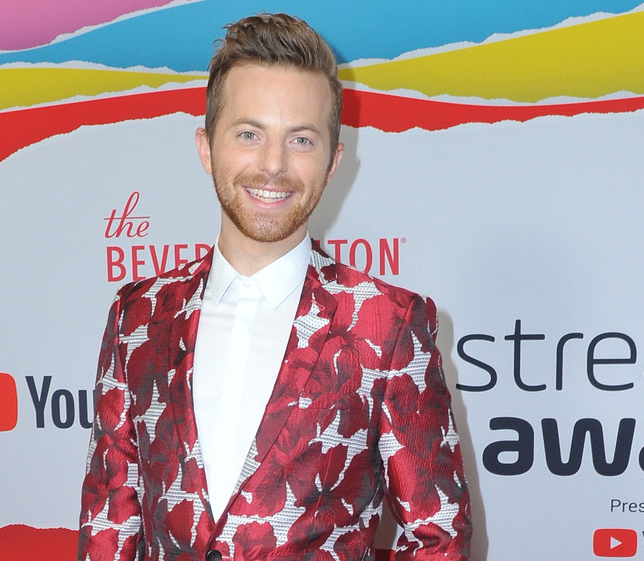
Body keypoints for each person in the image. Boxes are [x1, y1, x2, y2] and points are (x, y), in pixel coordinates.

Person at [78, 13, 471, 561]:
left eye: (301, 140)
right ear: (205, 147)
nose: (272, 164)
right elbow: (108, 527)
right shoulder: (137, 317)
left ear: (334, 161)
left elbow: (438, 539)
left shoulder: (387, 324)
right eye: (248, 134)